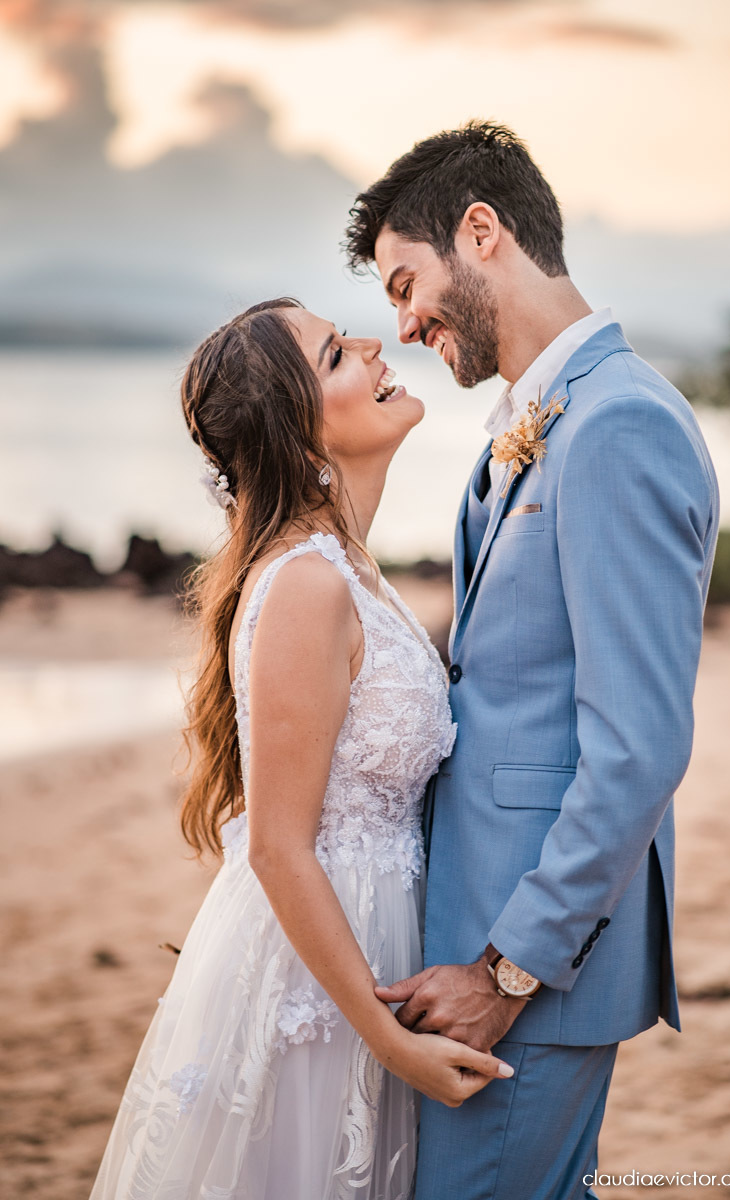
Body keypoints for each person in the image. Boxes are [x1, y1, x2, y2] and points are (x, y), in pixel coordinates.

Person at [344, 121, 720, 1199]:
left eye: (407, 283)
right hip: (477, 929)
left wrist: (508, 972)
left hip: (531, 965)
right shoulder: (536, 419)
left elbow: (639, 748)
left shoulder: (618, 426)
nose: (405, 322)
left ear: (483, 230)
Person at [88, 298, 514, 1200]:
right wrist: (388, 1038)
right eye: (335, 353)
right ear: (300, 432)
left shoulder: (343, 564)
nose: (371, 343)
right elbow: (279, 846)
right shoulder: (307, 586)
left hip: (375, 939)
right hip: (325, 981)